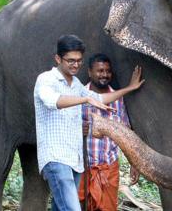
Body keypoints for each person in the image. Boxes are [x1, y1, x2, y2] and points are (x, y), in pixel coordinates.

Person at [34, 35, 144, 211]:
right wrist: (84, 98)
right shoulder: (46, 79)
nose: (75, 65)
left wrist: (129, 89)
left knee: (59, 207)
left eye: (78, 61)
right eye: (70, 60)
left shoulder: (76, 84)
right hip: (56, 158)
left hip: (75, 160)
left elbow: (100, 98)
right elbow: (52, 101)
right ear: (58, 59)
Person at [78, 53, 140, 211]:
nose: (104, 75)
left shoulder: (118, 99)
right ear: (89, 72)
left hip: (108, 168)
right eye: (100, 71)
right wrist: (78, 129)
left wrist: (135, 163)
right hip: (83, 166)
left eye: (107, 71)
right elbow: (65, 126)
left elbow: (125, 132)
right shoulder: (79, 96)